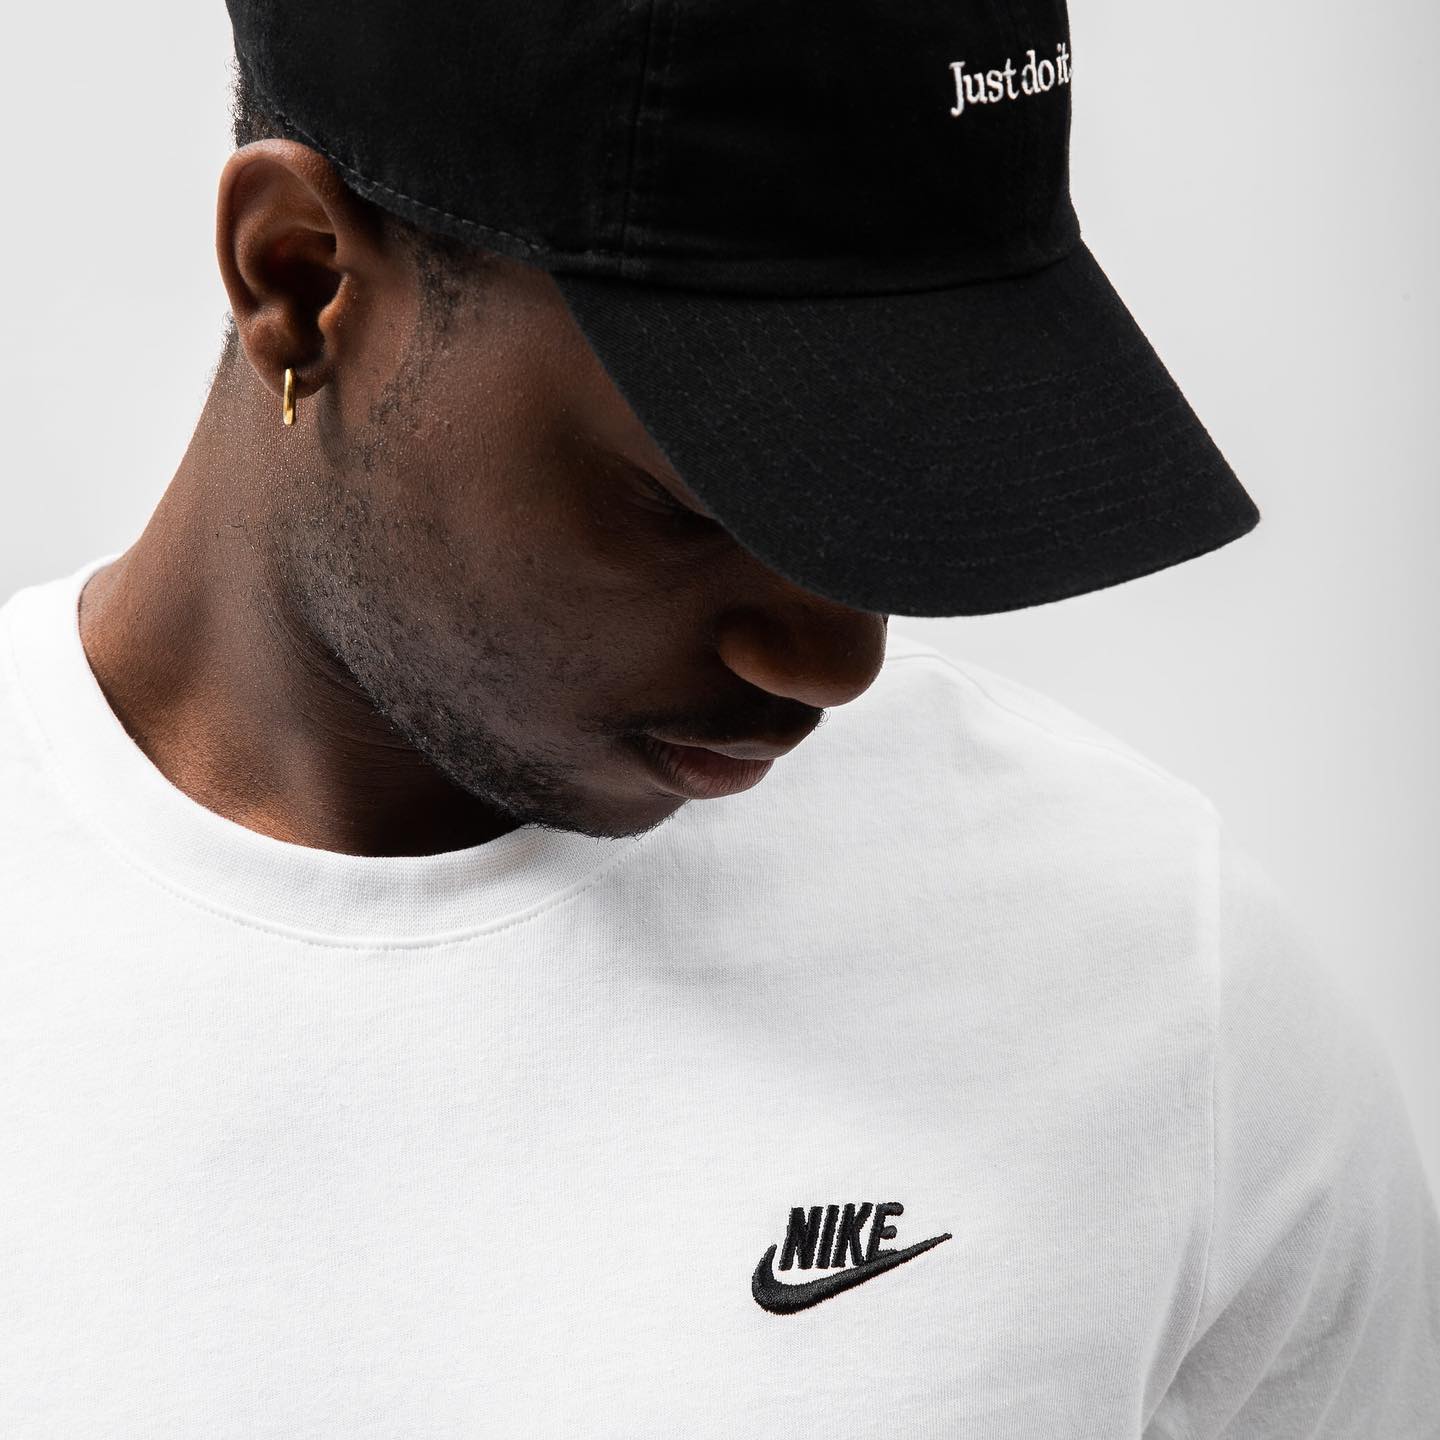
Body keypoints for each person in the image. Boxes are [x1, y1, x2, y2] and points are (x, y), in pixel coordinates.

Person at [2, 0, 1435, 1434]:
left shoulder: (1160, 995)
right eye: (694, 506)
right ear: (299, 278)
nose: (837, 661)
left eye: (899, 493)